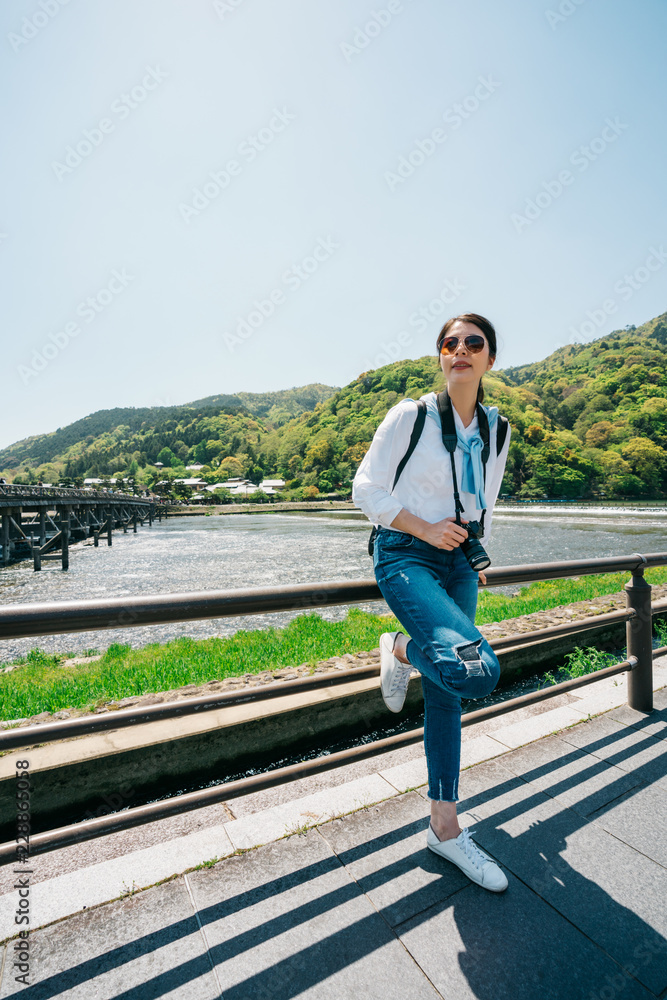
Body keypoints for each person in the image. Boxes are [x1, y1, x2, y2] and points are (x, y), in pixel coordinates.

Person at [352, 312, 511, 892]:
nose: (460, 350)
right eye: (450, 343)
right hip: (404, 552)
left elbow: (484, 496)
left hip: (459, 555)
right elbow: (364, 489)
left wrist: (477, 551)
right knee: (476, 671)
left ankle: (443, 826)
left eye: (474, 343)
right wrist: (422, 530)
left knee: (447, 691)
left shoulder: (497, 427)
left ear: (490, 358)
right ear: (440, 357)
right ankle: (397, 647)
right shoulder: (410, 415)